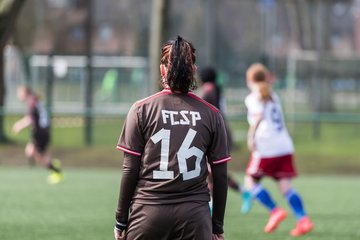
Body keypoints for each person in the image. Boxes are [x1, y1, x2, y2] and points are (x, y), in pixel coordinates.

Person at [114, 36, 230, 240]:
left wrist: (121, 220)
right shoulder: (211, 113)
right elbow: (220, 176)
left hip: (148, 214)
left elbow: (130, 169)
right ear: (193, 70)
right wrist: (217, 226)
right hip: (195, 218)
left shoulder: (141, 109)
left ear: (162, 70)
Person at [241, 63, 313, 236]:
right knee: (285, 186)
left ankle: (275, 211)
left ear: (249, 79)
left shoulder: (252, 97)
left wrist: (251, 137)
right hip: (284, 145)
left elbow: (258, 117)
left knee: (250, 182)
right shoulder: (273, 95)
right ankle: (303, 220)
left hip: (267, 146)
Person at [198, 67, 242, 195]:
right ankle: (242, 191)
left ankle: (241, 191)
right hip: (221, 132)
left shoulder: (207, 91)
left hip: (213, 134)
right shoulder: (216, 89)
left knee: (210, 170)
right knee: (212, 171)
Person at [12, 85, 64, 184]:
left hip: (41, 132)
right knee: (31, 151)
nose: (18, 95)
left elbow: (31, 119)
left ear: (25, 93)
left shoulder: (32, 102)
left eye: (19, 93)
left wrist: (19, 125)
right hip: (42, 131)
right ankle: (52, 166)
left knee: (34, 152)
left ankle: (56, 171)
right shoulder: (34, 100)